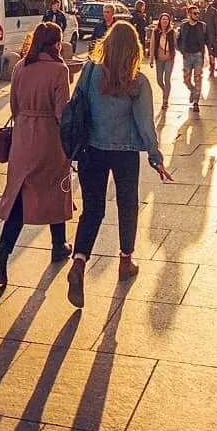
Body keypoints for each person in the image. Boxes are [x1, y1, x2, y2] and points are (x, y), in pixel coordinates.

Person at [66, 21, 173, 307]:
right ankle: (125, 260)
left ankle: (79, 262)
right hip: (124, 152)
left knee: (93, 210)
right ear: (134, 49)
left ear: (108, 44)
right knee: (127, 206)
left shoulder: (89, 71)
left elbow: (76, 105)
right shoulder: (137, 80)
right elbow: (145, 124)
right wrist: (155, 156)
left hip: (91, 148)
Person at [0, 22, 73, 285]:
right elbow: (62, 113)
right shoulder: (60, 70)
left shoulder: (20, 67)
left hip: (23, 138)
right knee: (55, 190)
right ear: (56, 43)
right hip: (49, 138)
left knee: (19, 197)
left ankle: (3, 252)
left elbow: (13, 105)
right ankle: (58, 245)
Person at [177, 3, 206, 109]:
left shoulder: (202, 26)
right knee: (186, 79)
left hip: (198, 54)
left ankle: (196, 102)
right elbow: (179, 40)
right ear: (189, 14)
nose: (197, 15)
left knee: (198, 78)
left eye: (198, 13)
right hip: (187, 55)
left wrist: (209, 53)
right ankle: (193, 90)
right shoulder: (184, 26)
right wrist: (182, 51)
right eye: (195, 13)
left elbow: (206, 40)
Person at [148, 11, 178, 111]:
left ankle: (165, 100)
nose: (165, 21)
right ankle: (165, 91)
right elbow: (152, 45)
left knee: (167, 78)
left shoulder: (172, 32)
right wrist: (151, 58)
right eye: (163, 19)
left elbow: (175, 44)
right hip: (159, 59)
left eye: (166, 19)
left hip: (169, 58)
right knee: (159, 80)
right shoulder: (156, 32)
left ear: (169, 21)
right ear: (160, 21)